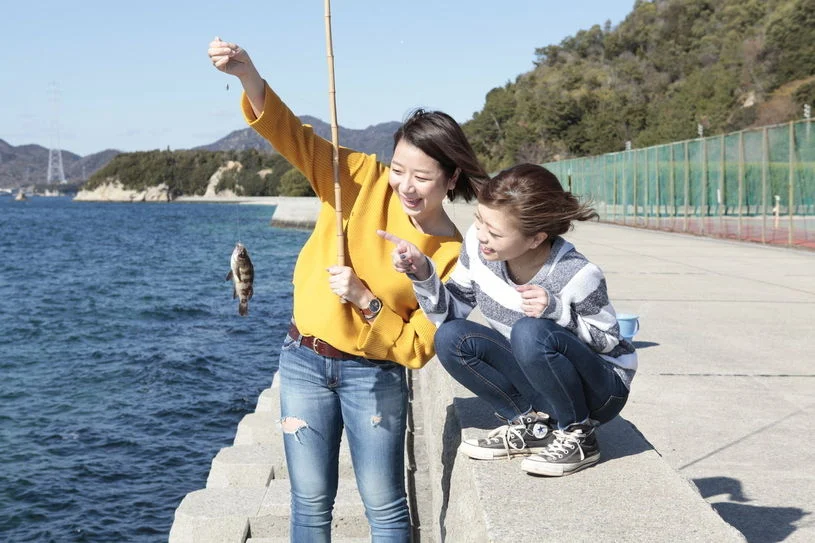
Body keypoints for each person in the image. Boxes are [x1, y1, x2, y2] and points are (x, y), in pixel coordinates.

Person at [208, 37, 488, 541]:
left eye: (422, 176)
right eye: (399, 169)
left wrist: (366, 300)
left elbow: (420, 346)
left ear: (452, 178)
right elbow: (292, 136)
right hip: (302, 360)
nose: (404, 184)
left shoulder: (451, 254)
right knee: (309, 504)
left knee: (385, 508)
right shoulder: (358, 176)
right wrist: (249, 75)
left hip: (373, 377)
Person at [379, 163, 637, 477]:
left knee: (530, 332)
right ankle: (531, 424)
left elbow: (610, 341)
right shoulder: (477, 246)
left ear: (535, 239)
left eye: (495, 232)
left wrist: (557, 312)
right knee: (449, 338)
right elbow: (449, 314)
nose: (482, 235)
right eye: (479, 219)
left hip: (601, 391)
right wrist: (422, 272)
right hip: (541, 377)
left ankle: (578, 434)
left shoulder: (576, 273)